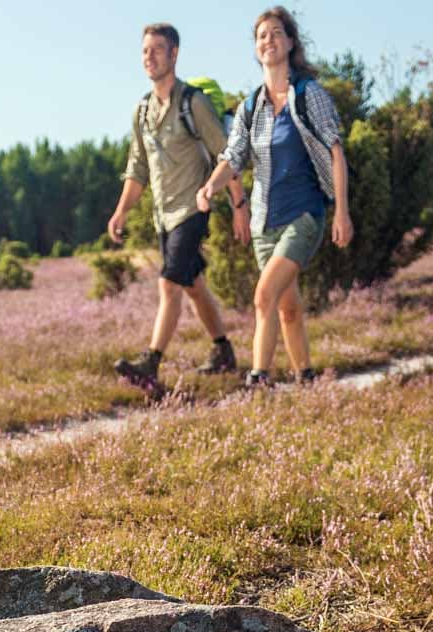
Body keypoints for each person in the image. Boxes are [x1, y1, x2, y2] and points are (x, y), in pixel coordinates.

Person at [196, 5, 353, 388]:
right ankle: (307, 379)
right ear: (256, 47)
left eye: (276, 33)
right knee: (288, 309)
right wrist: (210, 187)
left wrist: (341, 213)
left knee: (264, 295)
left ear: (291, 42)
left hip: (305, 213)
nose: (269, 40)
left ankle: (258, 380)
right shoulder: (252, 106)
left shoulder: (307, 93)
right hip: (265, 219)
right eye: (262, 35)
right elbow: (233, 157)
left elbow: (335, 151)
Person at [107, 23, 250, 389]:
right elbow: (137, 168)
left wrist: (239, 204)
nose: (149, 57)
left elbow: (226, 154)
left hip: (193, 208)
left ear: (174, 54)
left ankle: (150, 364)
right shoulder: (141, 111)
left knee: (169, 284)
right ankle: (223, 351)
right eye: (145, 51)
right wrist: (122, 210)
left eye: (157, 49)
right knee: (193, 284)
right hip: (162, 215)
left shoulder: (194, 103)